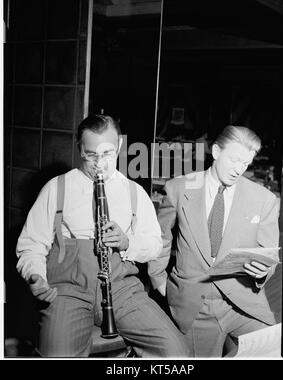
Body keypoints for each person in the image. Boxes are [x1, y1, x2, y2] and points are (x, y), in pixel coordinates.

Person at [16, 114, 189, 358]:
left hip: (122, 288)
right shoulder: (57, 187)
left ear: (118, 146)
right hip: (68, 289)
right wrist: (36, 275)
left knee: (175, 352)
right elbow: (32, 244)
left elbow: (153, 246)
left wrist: (127, 242)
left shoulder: (134, 192)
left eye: (107, 154)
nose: (100, 163)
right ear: (79, 149)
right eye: (91, 154)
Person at [148, 125, 280, 357]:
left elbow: (268, 255)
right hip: (194, 304)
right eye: (234, 160)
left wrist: (262, 272)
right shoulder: (178, 188)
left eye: (246, 163)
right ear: (217, 152)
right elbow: (160, 239)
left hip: (243, 302)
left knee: (272, 348)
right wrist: (159, 281)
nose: (239, 169)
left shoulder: (264, 200)